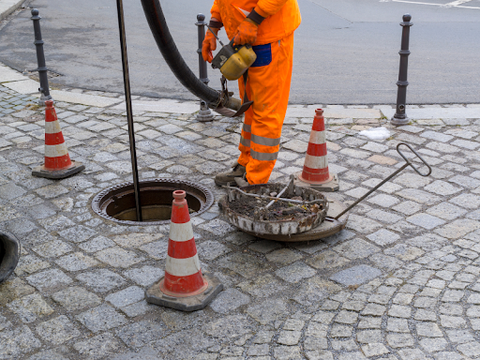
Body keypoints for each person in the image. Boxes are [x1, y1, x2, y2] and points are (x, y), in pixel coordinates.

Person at [202, 0, 301, 187]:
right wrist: (214, 25)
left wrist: (253, 20)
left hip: (267, 36)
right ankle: (247, 163)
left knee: (265, 112)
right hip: (244, 38)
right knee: (251, 109)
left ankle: (255, 181)